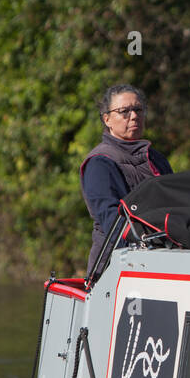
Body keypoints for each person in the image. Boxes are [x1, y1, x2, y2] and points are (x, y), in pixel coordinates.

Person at [80, 84, 173, 274]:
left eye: (138, 109)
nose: (134, 116)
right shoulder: (100, 162)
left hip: (162, 261)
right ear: (107, 119)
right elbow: (113, 223)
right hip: (114, 271)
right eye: (124, 111)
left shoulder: (156, 159)